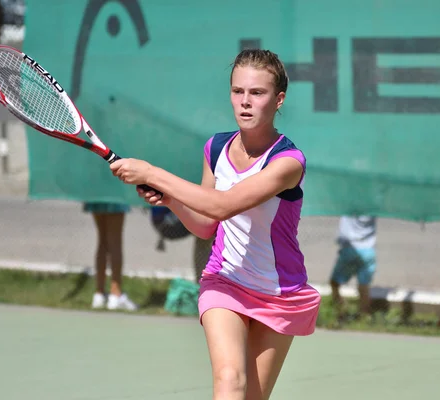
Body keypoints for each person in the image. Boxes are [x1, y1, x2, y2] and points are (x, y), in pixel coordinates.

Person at [109, 49, 320, 400]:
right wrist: (172, 199)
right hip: (225, 280)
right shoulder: (216, 147)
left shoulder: (287, 163)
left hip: (278, 293)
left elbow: (222, 205)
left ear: (279, 99)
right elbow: (208, 224)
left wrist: (152, 173)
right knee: (229, 380)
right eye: (238, 91)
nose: (245, 102)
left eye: (257, 93)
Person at [82, 202, 137, 311]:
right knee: (115, 241)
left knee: (102, 240)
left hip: (97, 194)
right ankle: (115, 294)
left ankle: (99, 294)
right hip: (115, 196)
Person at [329, 215, 377, 318]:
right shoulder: (372, 208)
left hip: (349, 249)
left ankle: (340, 311)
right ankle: (365, 315)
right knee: (364, 286)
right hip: (368, 250)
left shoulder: (348, 204)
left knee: (334, 283)